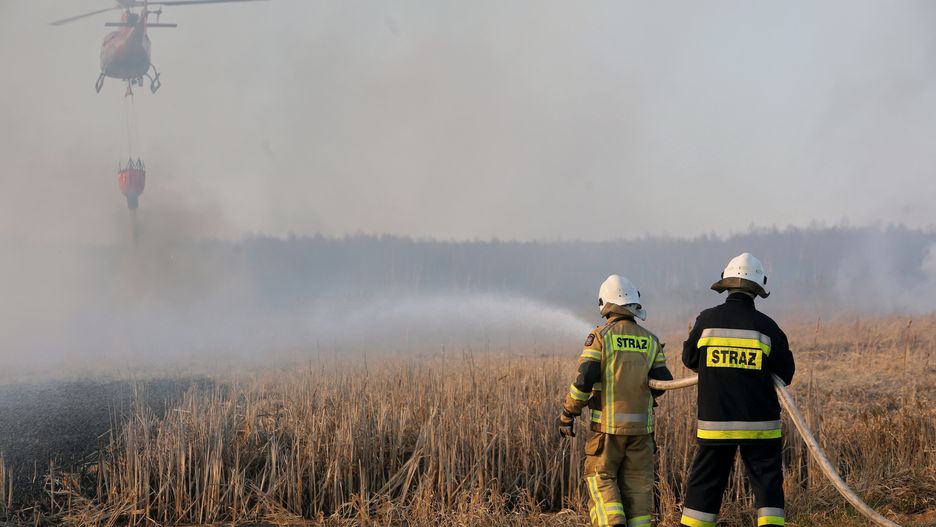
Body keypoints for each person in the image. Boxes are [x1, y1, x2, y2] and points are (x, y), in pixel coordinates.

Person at [679, 253, 795, 527]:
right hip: (761, 425)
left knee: (706, 482)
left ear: (726, 283)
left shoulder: (706, 320)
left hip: (715, 423)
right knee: (767, 482)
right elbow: (785, 374)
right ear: (757, 288)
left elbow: (689, 360)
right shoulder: (766, 327)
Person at [558, 275, 673, 527]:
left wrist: (568, 413)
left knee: (600, 477)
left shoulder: (600, 337)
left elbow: (584, 379)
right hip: (642, 433)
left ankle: (612, 522)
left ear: (605, 303)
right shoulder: (650, 340)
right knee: (639, 486)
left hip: (607, 431)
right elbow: (663, 382)